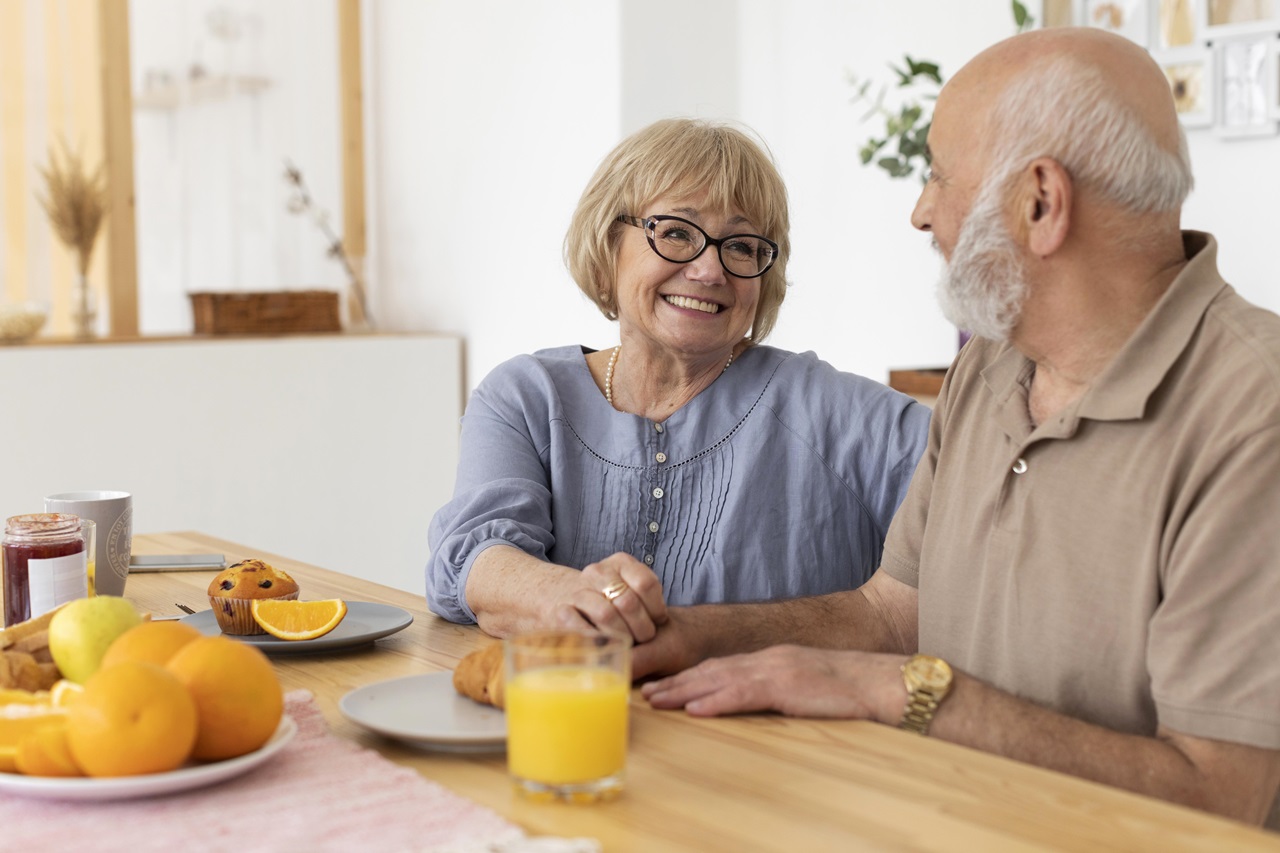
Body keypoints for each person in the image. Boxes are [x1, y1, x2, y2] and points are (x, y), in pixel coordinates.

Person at [638, 29, 1280, 828]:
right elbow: (890, 613)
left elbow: (1222, 794)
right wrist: (685, 636)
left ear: (1040, 201)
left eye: (939, 173)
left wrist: (899, 691)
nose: (920, 211)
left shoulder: (1256, 411)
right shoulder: (988, 369)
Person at [426, 118, 930, 644]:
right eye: (675, 233)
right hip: (573, 720)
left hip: (778, 729)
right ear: (606, 249)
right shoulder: (527, 398)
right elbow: (475, 561)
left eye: (740, 246)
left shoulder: (833, 410)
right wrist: (572, 599)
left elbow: (987, 489)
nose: (710, 270)